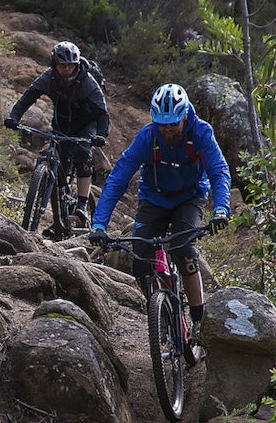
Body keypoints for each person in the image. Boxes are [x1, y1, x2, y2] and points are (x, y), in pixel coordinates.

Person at [87, 83, 231, 337]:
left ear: (184, 116)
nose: (167, 130)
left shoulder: (200, 133)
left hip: (190, 197)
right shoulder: (147, 137)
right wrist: (99, 224)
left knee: (183, 248)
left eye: (173, 124)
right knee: (140, 259)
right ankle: (160, 309)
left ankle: (198, 319)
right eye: (162, 124)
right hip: (154, 198)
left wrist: (220, 208)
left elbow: (218, 171)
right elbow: (118, 177)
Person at [3, 41, 110, 229]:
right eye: (62, 65)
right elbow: (27, 98)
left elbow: (102, 113)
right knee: (58, 163)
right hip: (62, 124)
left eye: (71, 65)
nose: (67, 69)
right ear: (54, 64)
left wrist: (101, 135)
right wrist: (13, 117)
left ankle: (82, 205)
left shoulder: (87, 82)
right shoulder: (48, 78)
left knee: (82, 154)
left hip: (87, 124)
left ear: (77, 65)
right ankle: (58, 221)